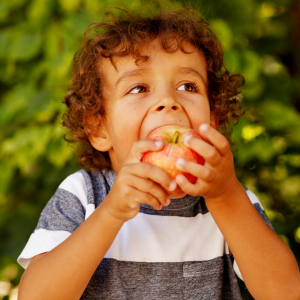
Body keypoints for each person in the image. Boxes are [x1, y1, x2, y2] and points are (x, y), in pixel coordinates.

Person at [17, 7, 300, 300]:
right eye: (139, 88)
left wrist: (225, 195)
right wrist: (111, 213)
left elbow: (287, 293)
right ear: (99, 128)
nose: (168, 101)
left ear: (212, 120)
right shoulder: (84, 195)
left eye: (188, 86)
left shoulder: (229, 199)